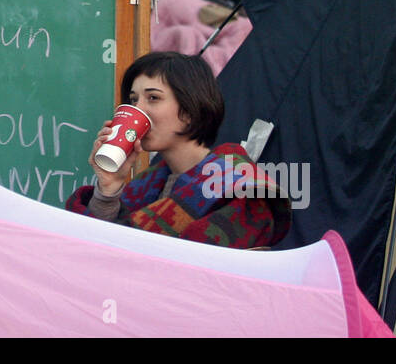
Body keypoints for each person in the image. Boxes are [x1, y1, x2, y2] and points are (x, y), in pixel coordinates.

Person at [65, 52, 290, 247]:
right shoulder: (147, 186)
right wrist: (109, 187)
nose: (137, 108)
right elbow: (93, 251)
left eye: (153, 98)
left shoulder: (240, 189)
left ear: (190, 110)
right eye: (133, 100)